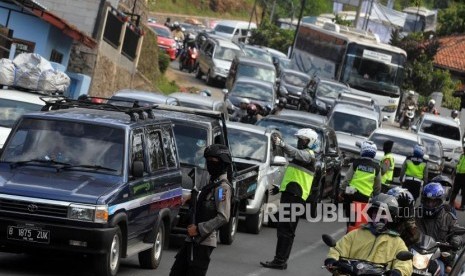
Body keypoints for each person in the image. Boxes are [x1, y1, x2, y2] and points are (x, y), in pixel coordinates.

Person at [170, 144, 232, 276]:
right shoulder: (212, 183)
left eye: (213, 161)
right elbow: (205, 202)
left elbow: (223, 216)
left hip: (203, 242)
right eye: (208, 160)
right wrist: (192, 197)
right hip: (191, 239)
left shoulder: (222, 188)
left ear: (222, 163)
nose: (209, 164)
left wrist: (198, 229)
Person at [260, 128, 318, 270]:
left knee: (286, 230)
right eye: (299, 139)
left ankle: (280, 260)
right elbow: (291, 174)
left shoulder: (308, 155)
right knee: (284, 228)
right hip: (290, 194)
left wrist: (282, 144)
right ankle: (280, 259)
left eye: (302, 139)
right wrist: (279, 186)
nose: (299, 141)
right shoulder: (300, 157)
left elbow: (294, 152)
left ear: (310, 142)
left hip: (296, 197)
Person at [324, 194, 413, 276]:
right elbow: (338, 249)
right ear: (371, 214)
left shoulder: (397, 242)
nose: (379, 216)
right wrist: (332, 259)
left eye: (383, 213)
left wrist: (398, 272)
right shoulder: (355, 234)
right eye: (376, 212)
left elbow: (405, 264)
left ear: (391, 218)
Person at [416, 182, 463, 274]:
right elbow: (404, 227)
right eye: (427, 201)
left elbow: (456, 233)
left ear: (440, 201)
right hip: (415, 253)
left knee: (441, 270)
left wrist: (456, 240)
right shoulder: (416, 214)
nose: (430, 204)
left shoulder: (449, 218)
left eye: (433, 201)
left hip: (438, 256)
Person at [339, 140, 381, 231]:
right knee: (360, 221)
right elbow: (377, 187)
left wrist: (341, 191)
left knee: (350, 219)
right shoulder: (376, 167)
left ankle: (348, 234)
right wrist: (376, 196)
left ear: (362, 151)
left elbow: (347, 179)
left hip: (351, 195)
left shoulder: (356, 163)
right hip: (365, 198)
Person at [450, 142, 465, 210]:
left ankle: (462, 206)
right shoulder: (462, 155)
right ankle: (451, 202)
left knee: (464, 192)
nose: (463, 149)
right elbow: (458, 164)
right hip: (458, 175)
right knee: (455, 190)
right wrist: (453, 172)